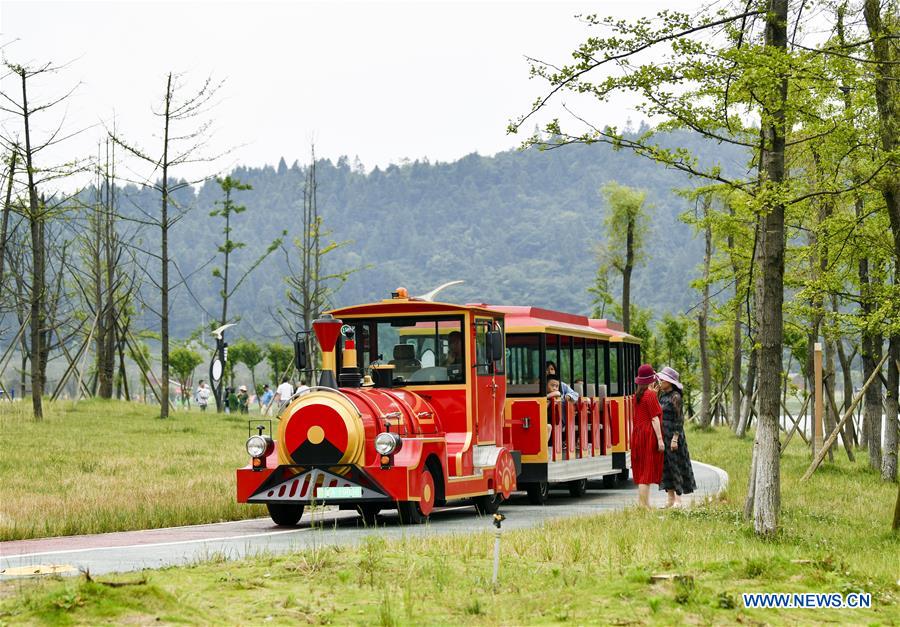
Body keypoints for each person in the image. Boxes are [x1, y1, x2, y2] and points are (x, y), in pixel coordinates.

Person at [657, 366, 696, 508]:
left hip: (673, 435)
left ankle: (678, 500)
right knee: (665, 467)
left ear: (670, 382)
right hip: (663, 434)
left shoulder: (676, 397)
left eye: (663, 379)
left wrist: (675, 438)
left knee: (676, 466)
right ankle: (670, 499)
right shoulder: (662, 396)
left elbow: (679, 419)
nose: (660, 381)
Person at [631, 363, 665, 509]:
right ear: (651, 380)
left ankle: (644, 504)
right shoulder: (650, 395)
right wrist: (660, 439)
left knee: (641, 471)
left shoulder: (637, 396)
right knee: (646, 473)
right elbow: (654, 418)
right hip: (648, 435)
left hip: (637, 435)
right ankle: (643, 505)